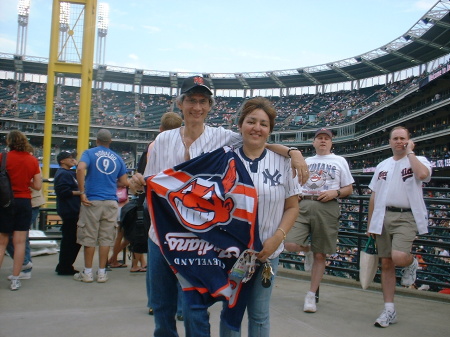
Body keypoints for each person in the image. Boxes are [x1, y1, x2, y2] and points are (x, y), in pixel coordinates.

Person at [129, 76, 308, 337]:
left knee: (194, 305)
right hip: (161, 234)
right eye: (191, 100)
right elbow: (150, 184)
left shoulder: (222, 137)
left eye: (203, 101)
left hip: (196, 237)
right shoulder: (162, 141)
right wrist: (137, 184)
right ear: (180, 103)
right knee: (161, 306)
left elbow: (258, 141)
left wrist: (293, 151)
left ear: (210, 106)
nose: (197, 107)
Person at [219, 97, 301, 336]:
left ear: (269, 130)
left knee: (259, 314)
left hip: (269, 251)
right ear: (241, 125)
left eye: (263, 124)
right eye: (251, 121)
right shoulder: (224, 160)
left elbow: (292, 207)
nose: (257, 128)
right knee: (231, 313)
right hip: (232, 253)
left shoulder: (285, 163)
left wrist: (279, 236)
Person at [367, 126, 431, 328]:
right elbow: (374, 195)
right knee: (386, 263)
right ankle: (389, 310)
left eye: (403, 138)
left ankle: (411, 263)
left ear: (409, 140)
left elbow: (422, 175)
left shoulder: (418, 160)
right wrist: (370, 223)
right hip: (383, 215)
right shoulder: (382, 165)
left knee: (399, 257)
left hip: (406, 215)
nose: (399, 141)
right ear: (390, 142)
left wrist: (411, 152)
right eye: (395, 138)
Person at [285, 127, 354, 313]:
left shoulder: (339, 161)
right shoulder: (307, 161)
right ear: (314, 142)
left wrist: (336, 192)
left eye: (326, 138)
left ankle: (311, 295)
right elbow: (295, 183)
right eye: (319, 138)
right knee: (289, 243)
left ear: (331, 142)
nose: (323, 141)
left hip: (327, 206)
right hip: (305, 202)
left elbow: (349, 188)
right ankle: (306, 250)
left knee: (321, 254)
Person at [74, 129, 129, 283]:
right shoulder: (117, 158)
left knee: (90, 238)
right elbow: (125, 182)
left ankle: (88, 272)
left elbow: (80, 168)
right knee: (106, 239)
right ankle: (102, 272)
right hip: (111, 201)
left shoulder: (90, 153)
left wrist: (82, 191)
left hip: (92, 200)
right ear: (110, 142)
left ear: (96, 140)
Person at [0, 130, 42, 290]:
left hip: (5, 202)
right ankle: (16, 279)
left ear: (9, 142)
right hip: (24, 201)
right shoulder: (32, 161)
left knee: (2, 242)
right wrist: (26, 182)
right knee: (19, 243)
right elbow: (37, 185)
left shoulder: (3, 158)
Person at [54, 151, 82, 275]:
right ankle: (64, 266)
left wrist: (77, 166)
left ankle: (64, 265)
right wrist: (80, 192)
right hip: (69, 210)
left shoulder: (69, 173)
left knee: (72, 239)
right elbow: (62, 191)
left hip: (72, 209)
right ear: (62, 161)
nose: (72, 159)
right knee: (71, 240)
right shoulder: (62, 173)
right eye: (69, 158)